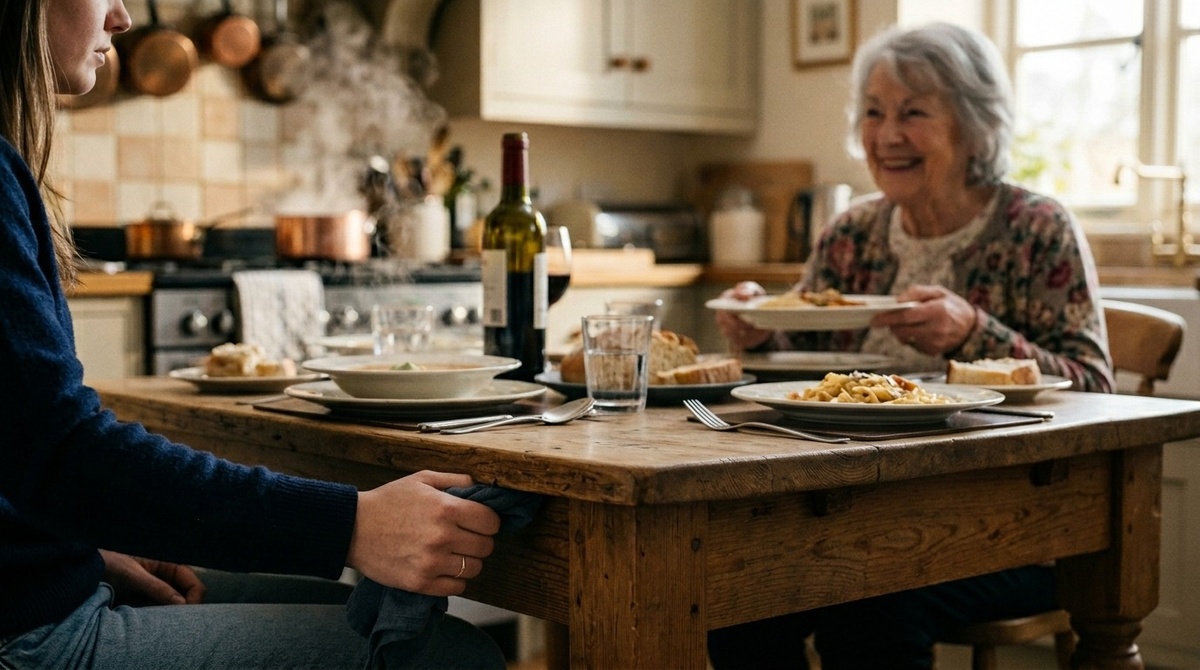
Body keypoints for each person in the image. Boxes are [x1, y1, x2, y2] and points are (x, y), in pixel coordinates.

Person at [0, 0, 508, 667]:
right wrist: (350, 525)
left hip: (35, 587)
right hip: (29, 636)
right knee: (447, 656)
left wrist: (88, 548)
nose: (122, 18)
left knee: (371, 617)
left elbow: (19, 449)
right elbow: (66, 452)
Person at [707, 22, 1114, 670]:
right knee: (737, 596)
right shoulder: (852, 232)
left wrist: (975, 334)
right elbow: (795, 356)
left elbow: (1095, 385)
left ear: (975, 124)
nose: (887, 135)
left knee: (870, 609)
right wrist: (759, 329)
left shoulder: (1037, 228)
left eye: (913, 113)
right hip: (845, 511)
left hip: (1008, 523)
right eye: (874, 112)